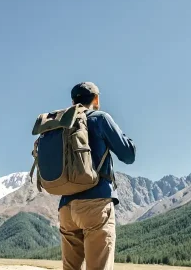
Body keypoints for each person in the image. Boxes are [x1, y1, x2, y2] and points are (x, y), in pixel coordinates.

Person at [59, 82, 136, 270]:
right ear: (96, 99)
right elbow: (128, 155)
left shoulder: (61, 125)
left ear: (72, 102)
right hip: (96, 204)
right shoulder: (100, 118)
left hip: (66, 208)